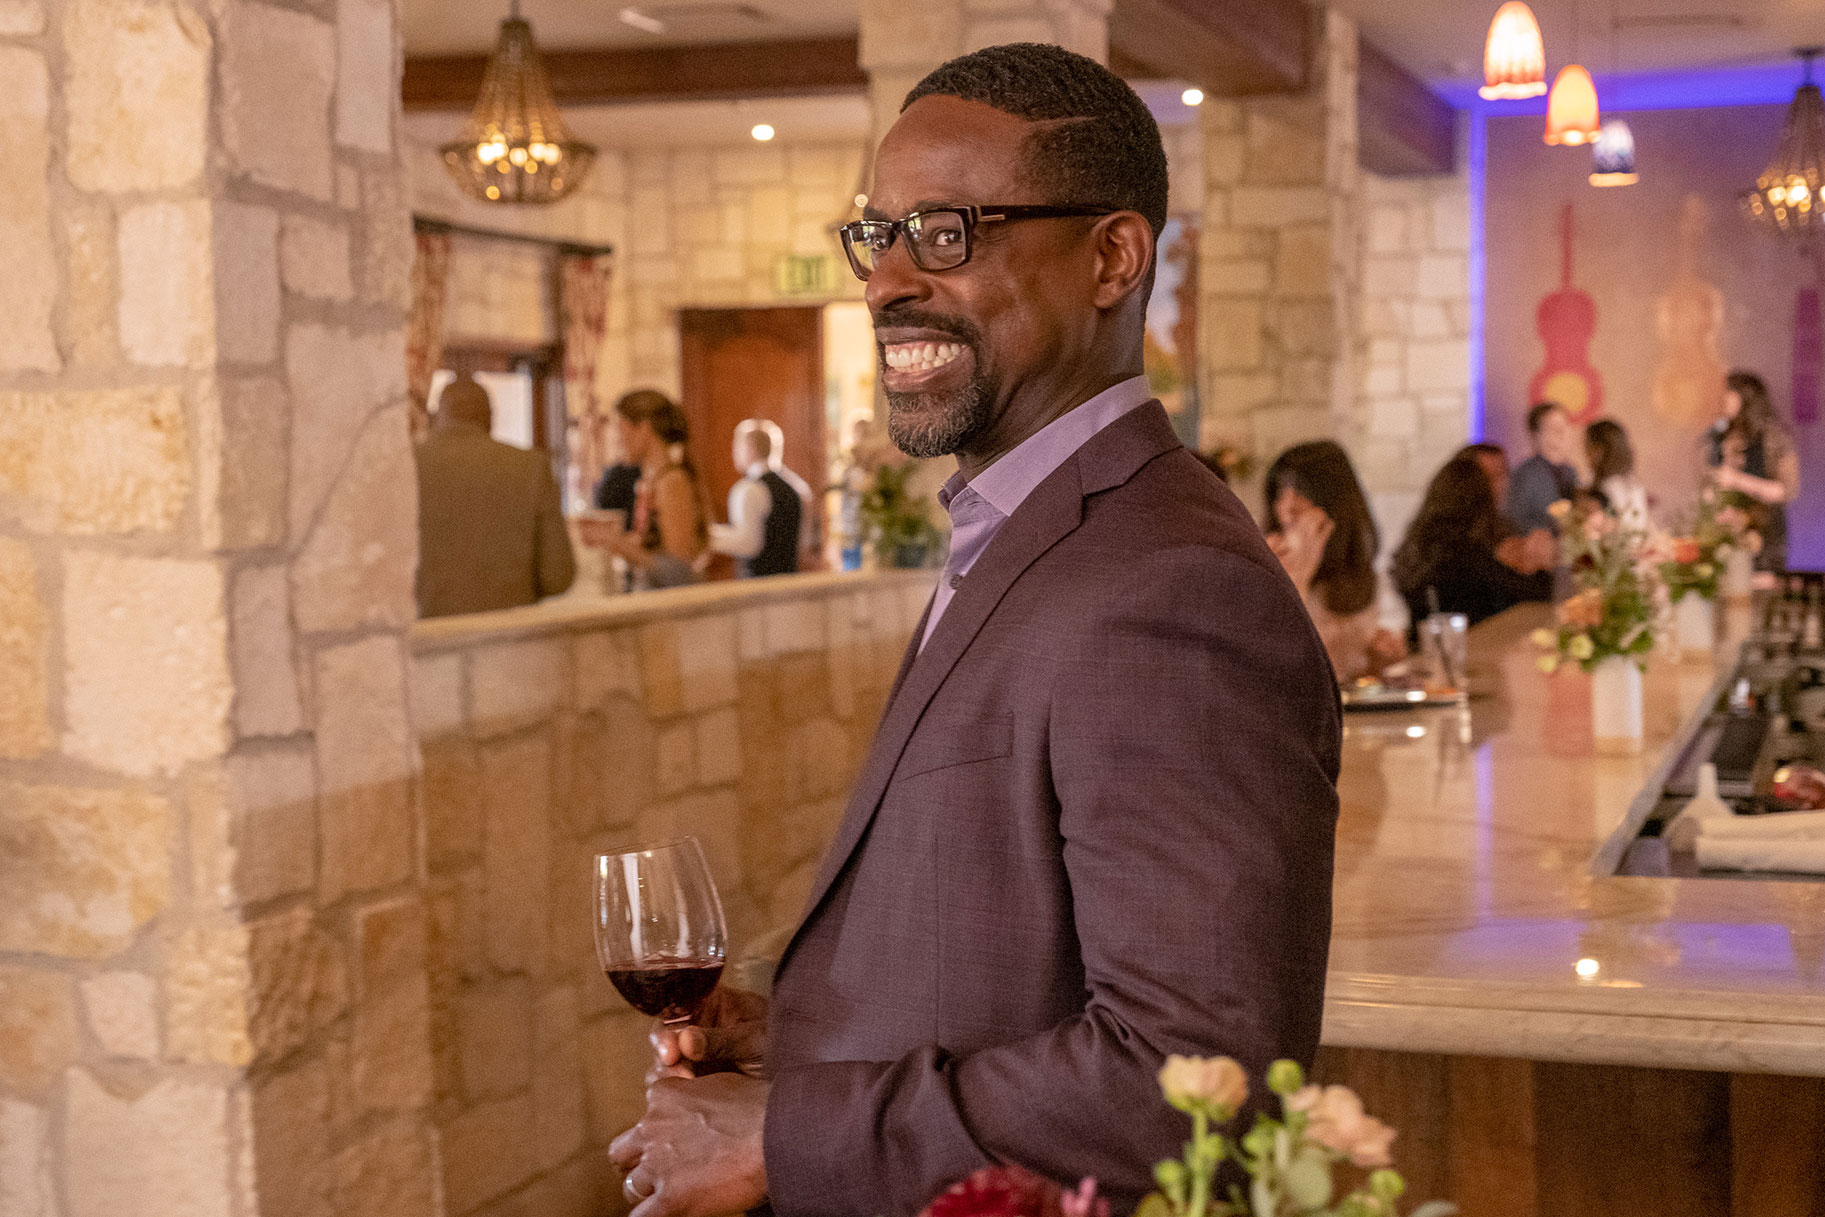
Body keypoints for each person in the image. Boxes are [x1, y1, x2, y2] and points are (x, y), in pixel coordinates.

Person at [609, 42, 1340, 1217]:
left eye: (946, 232)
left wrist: (796, 1131)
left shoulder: (1169, 585)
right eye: (877, 234)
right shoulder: (1017, 522)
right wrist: (799, 1030)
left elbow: (1196, 1073)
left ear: (1111, 256)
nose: (889, 280)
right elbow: (1001, 942)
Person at [413, 375, 575, 618]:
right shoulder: (530, 468)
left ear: (437, 417)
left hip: (424, 639)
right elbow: (557, 576)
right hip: (507, 639)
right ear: (490, 418)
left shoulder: (404, 468)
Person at [1262, 441, 1404, 683]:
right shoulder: (1263, 571)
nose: (1287, 507)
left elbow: (1370, 676)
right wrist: (1296, 578)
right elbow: (1268, 667)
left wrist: (1382, 661)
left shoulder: (1369, 581)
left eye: (1300, 492)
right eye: (1279, 493)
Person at [1394, 451, 1553, 633]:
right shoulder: (1463, 552)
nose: (1500, 487)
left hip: (1422, 646)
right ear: (1480, 501)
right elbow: (1528, 597)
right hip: (1465, 649)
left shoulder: (1421, 542)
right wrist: (1542, 565)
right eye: (1493, 481)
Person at [590, 390, 711, 589]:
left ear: (644, 429)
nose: (618, 440)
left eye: (621, 429)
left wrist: (618, 542)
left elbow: (679, 570)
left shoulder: (671, 482)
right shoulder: (651, 480)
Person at [1708, 370, 1798, 573]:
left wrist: (1737, 481)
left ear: (1745, 397)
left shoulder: (1775, 437)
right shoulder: (1727, 436)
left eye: (1728, 394)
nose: (1723, 400)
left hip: (1767, 536)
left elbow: (1787, 490)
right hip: (1730, 533)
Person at [710, 422, 803, 577]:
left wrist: (704, 539)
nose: (733, 454)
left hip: (760, 585)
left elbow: (749, 544)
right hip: (789, 582)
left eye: (736, 447)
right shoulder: (794, 488)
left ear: (750, 449)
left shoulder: (749, 489)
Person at [1462, 442, 1555, 576]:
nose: (1499, 484)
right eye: (1489, 477)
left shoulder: (1506, 526)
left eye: (1502, 474)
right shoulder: (1462, 535)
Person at [1507, 401, 1581, 535]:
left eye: (1564, 426)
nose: (1561, 434)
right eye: (1553, 428)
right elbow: (1514, 520)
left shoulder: (1571, 472)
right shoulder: (1525, 475)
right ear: (1536, 435)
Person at [1585, 418, 1650, 532]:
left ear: (1599, 450)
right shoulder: (1633, 483)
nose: (1586, 455)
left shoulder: (1603, 490)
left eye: (1588, 447)